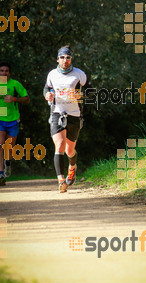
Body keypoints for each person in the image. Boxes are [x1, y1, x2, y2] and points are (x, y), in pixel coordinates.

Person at [43, 45, 87, 193]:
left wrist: (81, 95)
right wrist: (47, 95)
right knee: (60, 145)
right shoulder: (52, 74)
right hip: (57, 113)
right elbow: (46, 88)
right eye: (62, 57)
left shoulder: (79, 74)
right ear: (57, 59)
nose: (65, 60)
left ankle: (72, 168)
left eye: (68, 57)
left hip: (74, 114)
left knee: (70, 150)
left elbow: (90, 90)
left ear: (71, 59)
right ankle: (61, 180)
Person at [0, 62, 30, 186]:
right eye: (1, 71)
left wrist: (15, 99)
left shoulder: (14, 84)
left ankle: (8, 163)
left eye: (6, 71)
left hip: (13, 119)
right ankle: (1, 173)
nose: (4, 73)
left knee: (9, 147)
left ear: (9, 72)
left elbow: (27, 99)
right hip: (0, 118)